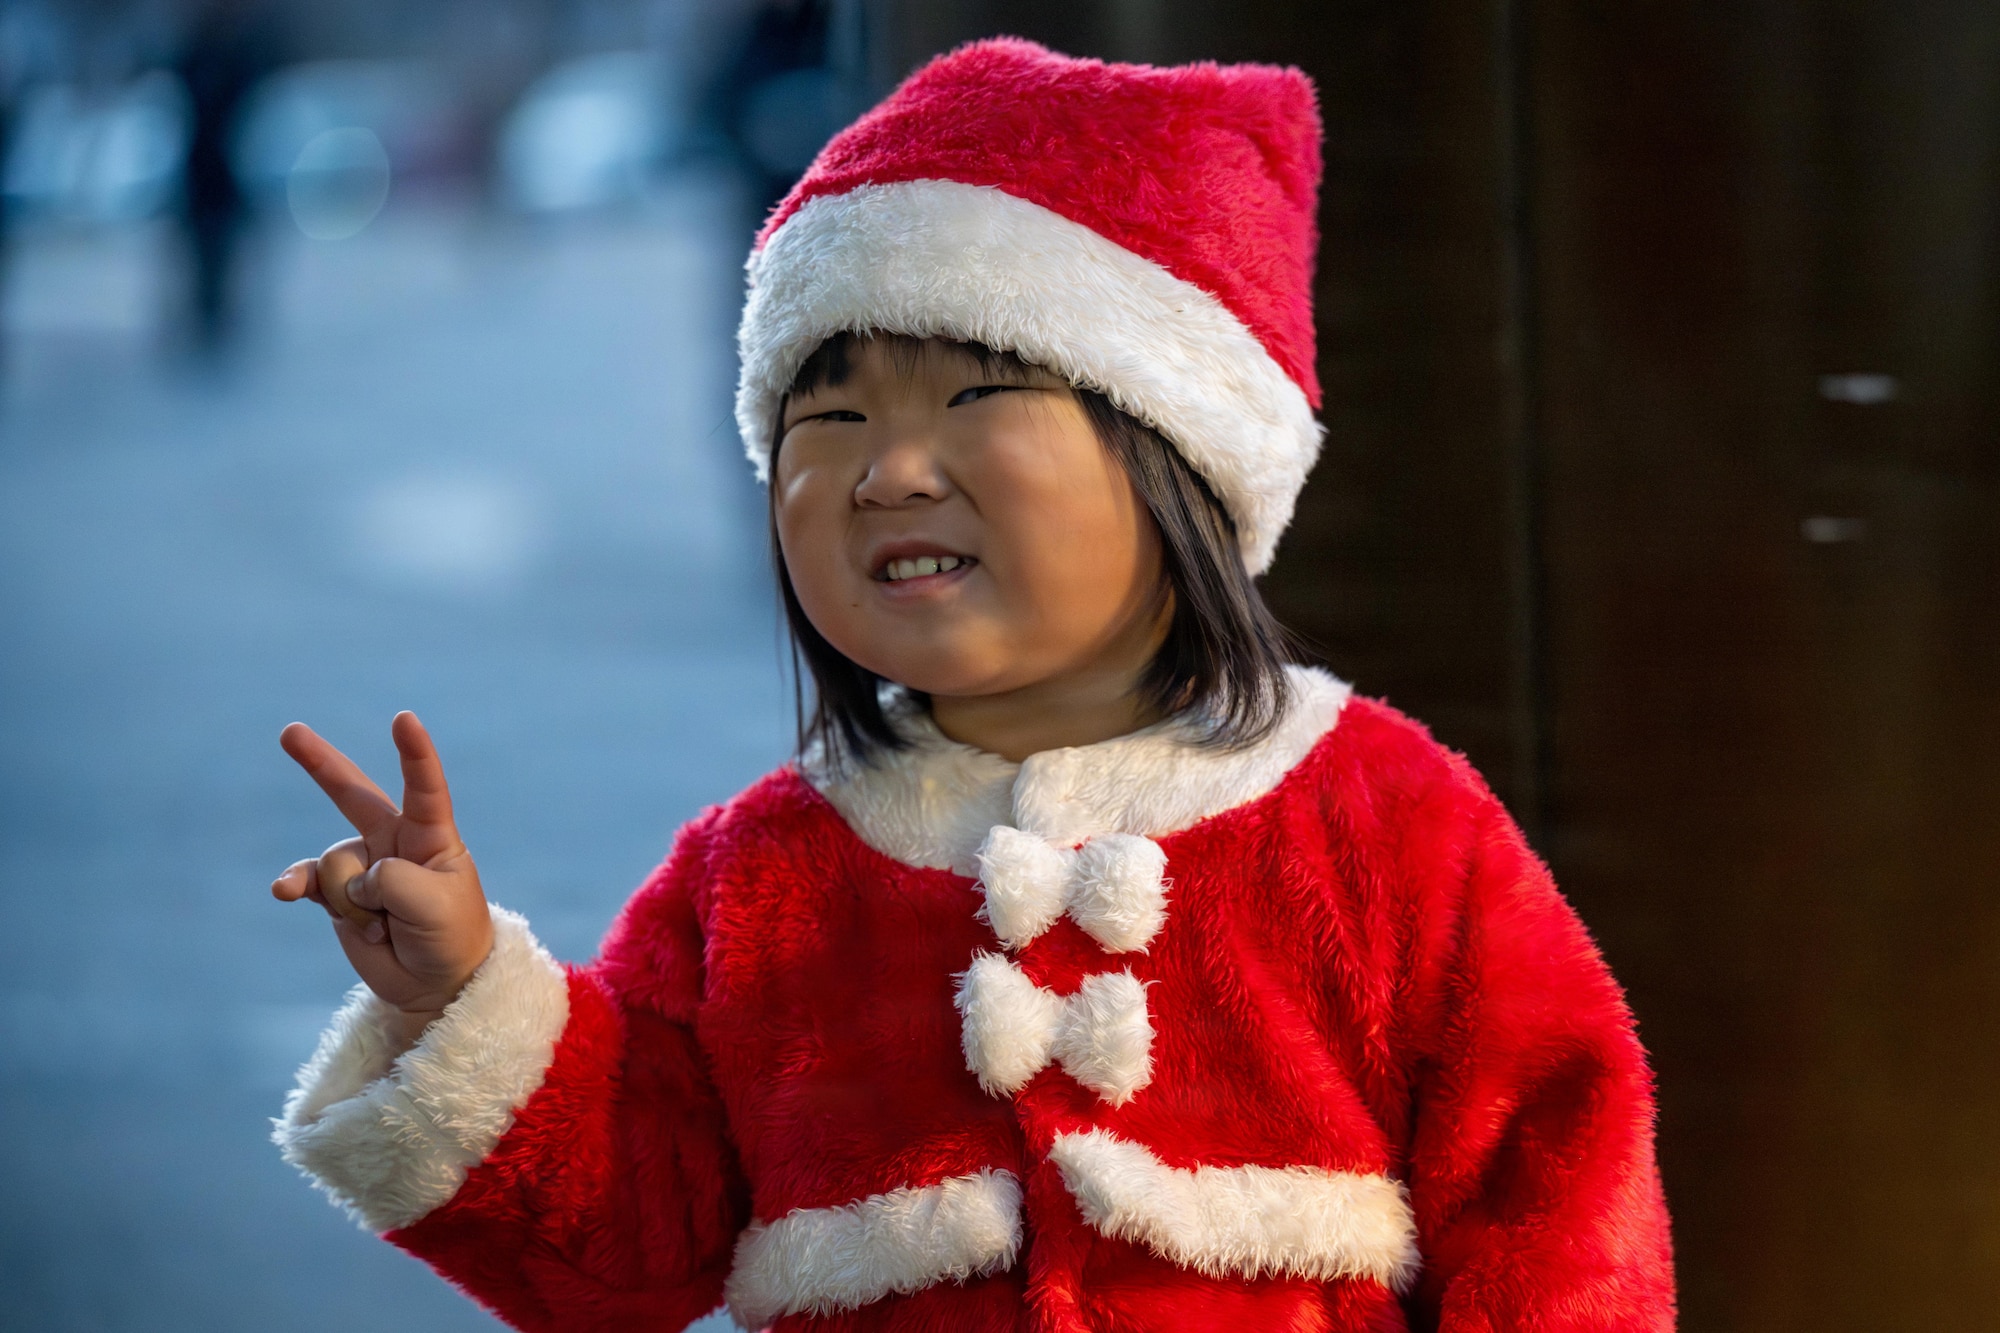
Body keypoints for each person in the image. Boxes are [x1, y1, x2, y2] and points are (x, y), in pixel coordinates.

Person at [268, 39, 1676, 1332]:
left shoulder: (1385, 820)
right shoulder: (757, 873)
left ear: (1178, 452)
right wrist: (458, 995)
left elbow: (1560, 1204)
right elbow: (628, 1239)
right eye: (831, 414)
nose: (887, 469)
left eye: (974, 396)